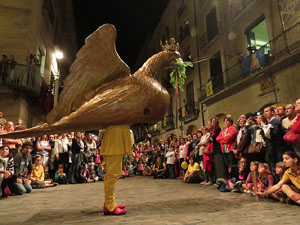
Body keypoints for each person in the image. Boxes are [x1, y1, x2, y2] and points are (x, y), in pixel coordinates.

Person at [101, 125, 132, 215]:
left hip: (115, 136)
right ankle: (109, 205)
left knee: (111, 174)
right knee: (112, 175)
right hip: (115, 139)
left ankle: (110, 202)